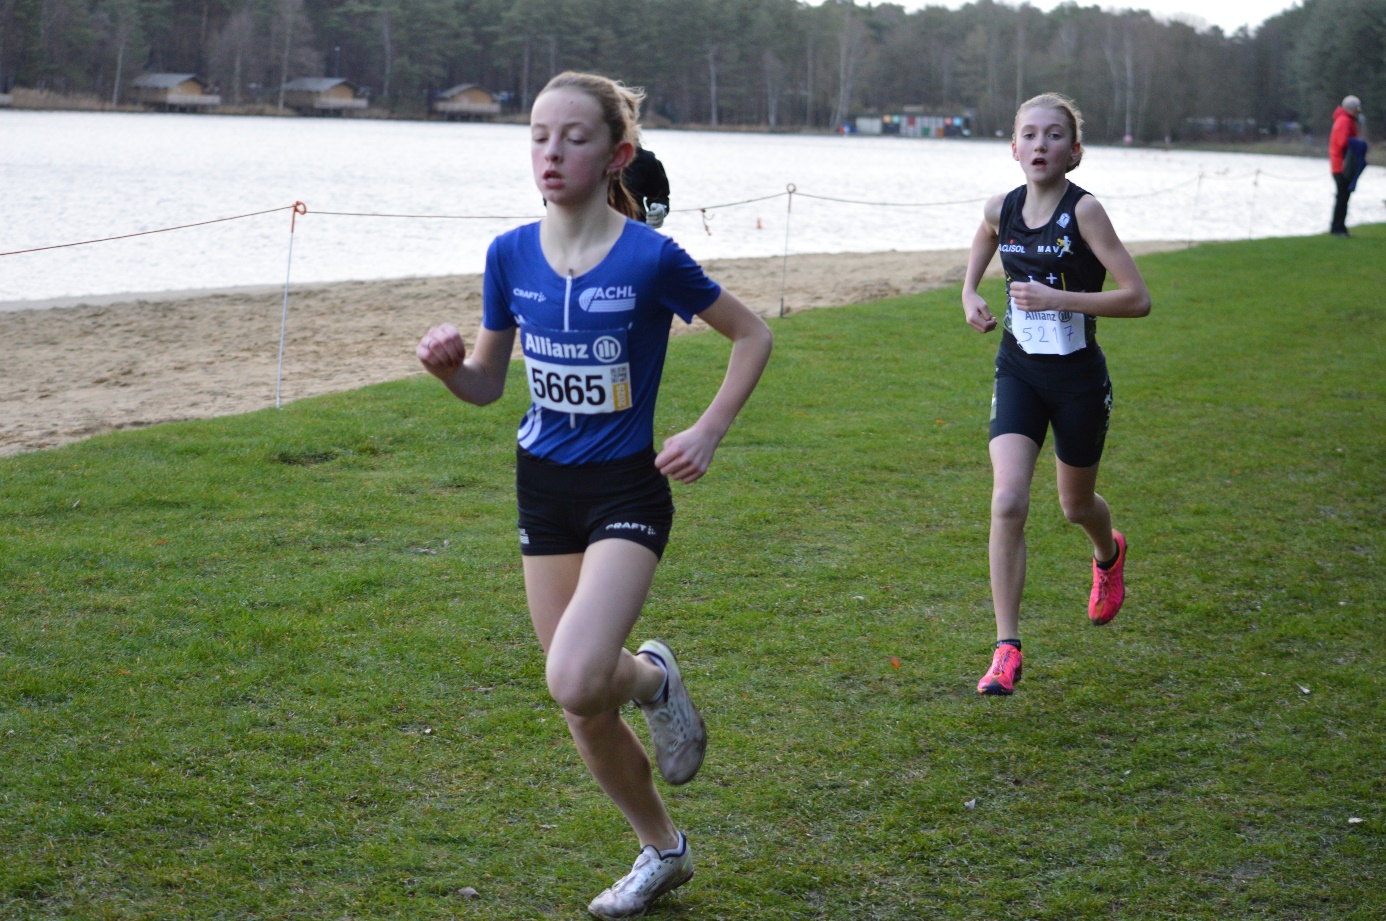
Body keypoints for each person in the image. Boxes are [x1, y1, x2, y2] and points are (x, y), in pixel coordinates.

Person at [416, 71, 772, 918]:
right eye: (539, 134)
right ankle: (662, 838)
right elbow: (487, 385)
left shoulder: (651, 257)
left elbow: (752, 334)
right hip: (543, 487)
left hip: (626, 488)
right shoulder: (508, 254)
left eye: (573, 137)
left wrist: (710, 428)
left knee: (574, 677)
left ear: (616, 153)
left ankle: (646, 681)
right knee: (580, 697)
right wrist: (446, 370)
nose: (551, 151)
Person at [959, 93, 1151, 696]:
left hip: (1077, 381)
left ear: (1074, 151)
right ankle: (1006, 648)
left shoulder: (1086, 212)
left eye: (1054, 135)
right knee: (1009, 499)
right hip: (1019, 372)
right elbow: (983, 242)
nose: (1041, 145)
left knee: (1075, 506)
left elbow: (1137, 298)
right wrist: (969, 293)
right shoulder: (1001, 208)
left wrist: (1059, 298)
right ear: (1014, 148)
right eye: (1030, 135)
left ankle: (1108, 550)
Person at [1329, 95, 1363, 237]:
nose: (1358, 112)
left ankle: (1340, 227)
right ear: (1352, 109)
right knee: (1342, 197)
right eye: (1356, 109)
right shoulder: (1345, 121)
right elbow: (1343, 142)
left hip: (1340, 165)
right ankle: (1337, 228)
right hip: (1342, 166)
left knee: (1344, 196)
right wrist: (1359, 145)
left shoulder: (1344, 120)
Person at [623, 144, 671, 228]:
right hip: (594, 232)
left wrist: (660, 209)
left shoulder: (645, 160)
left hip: (635, 231)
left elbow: (660, 196)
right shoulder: (594, 158)